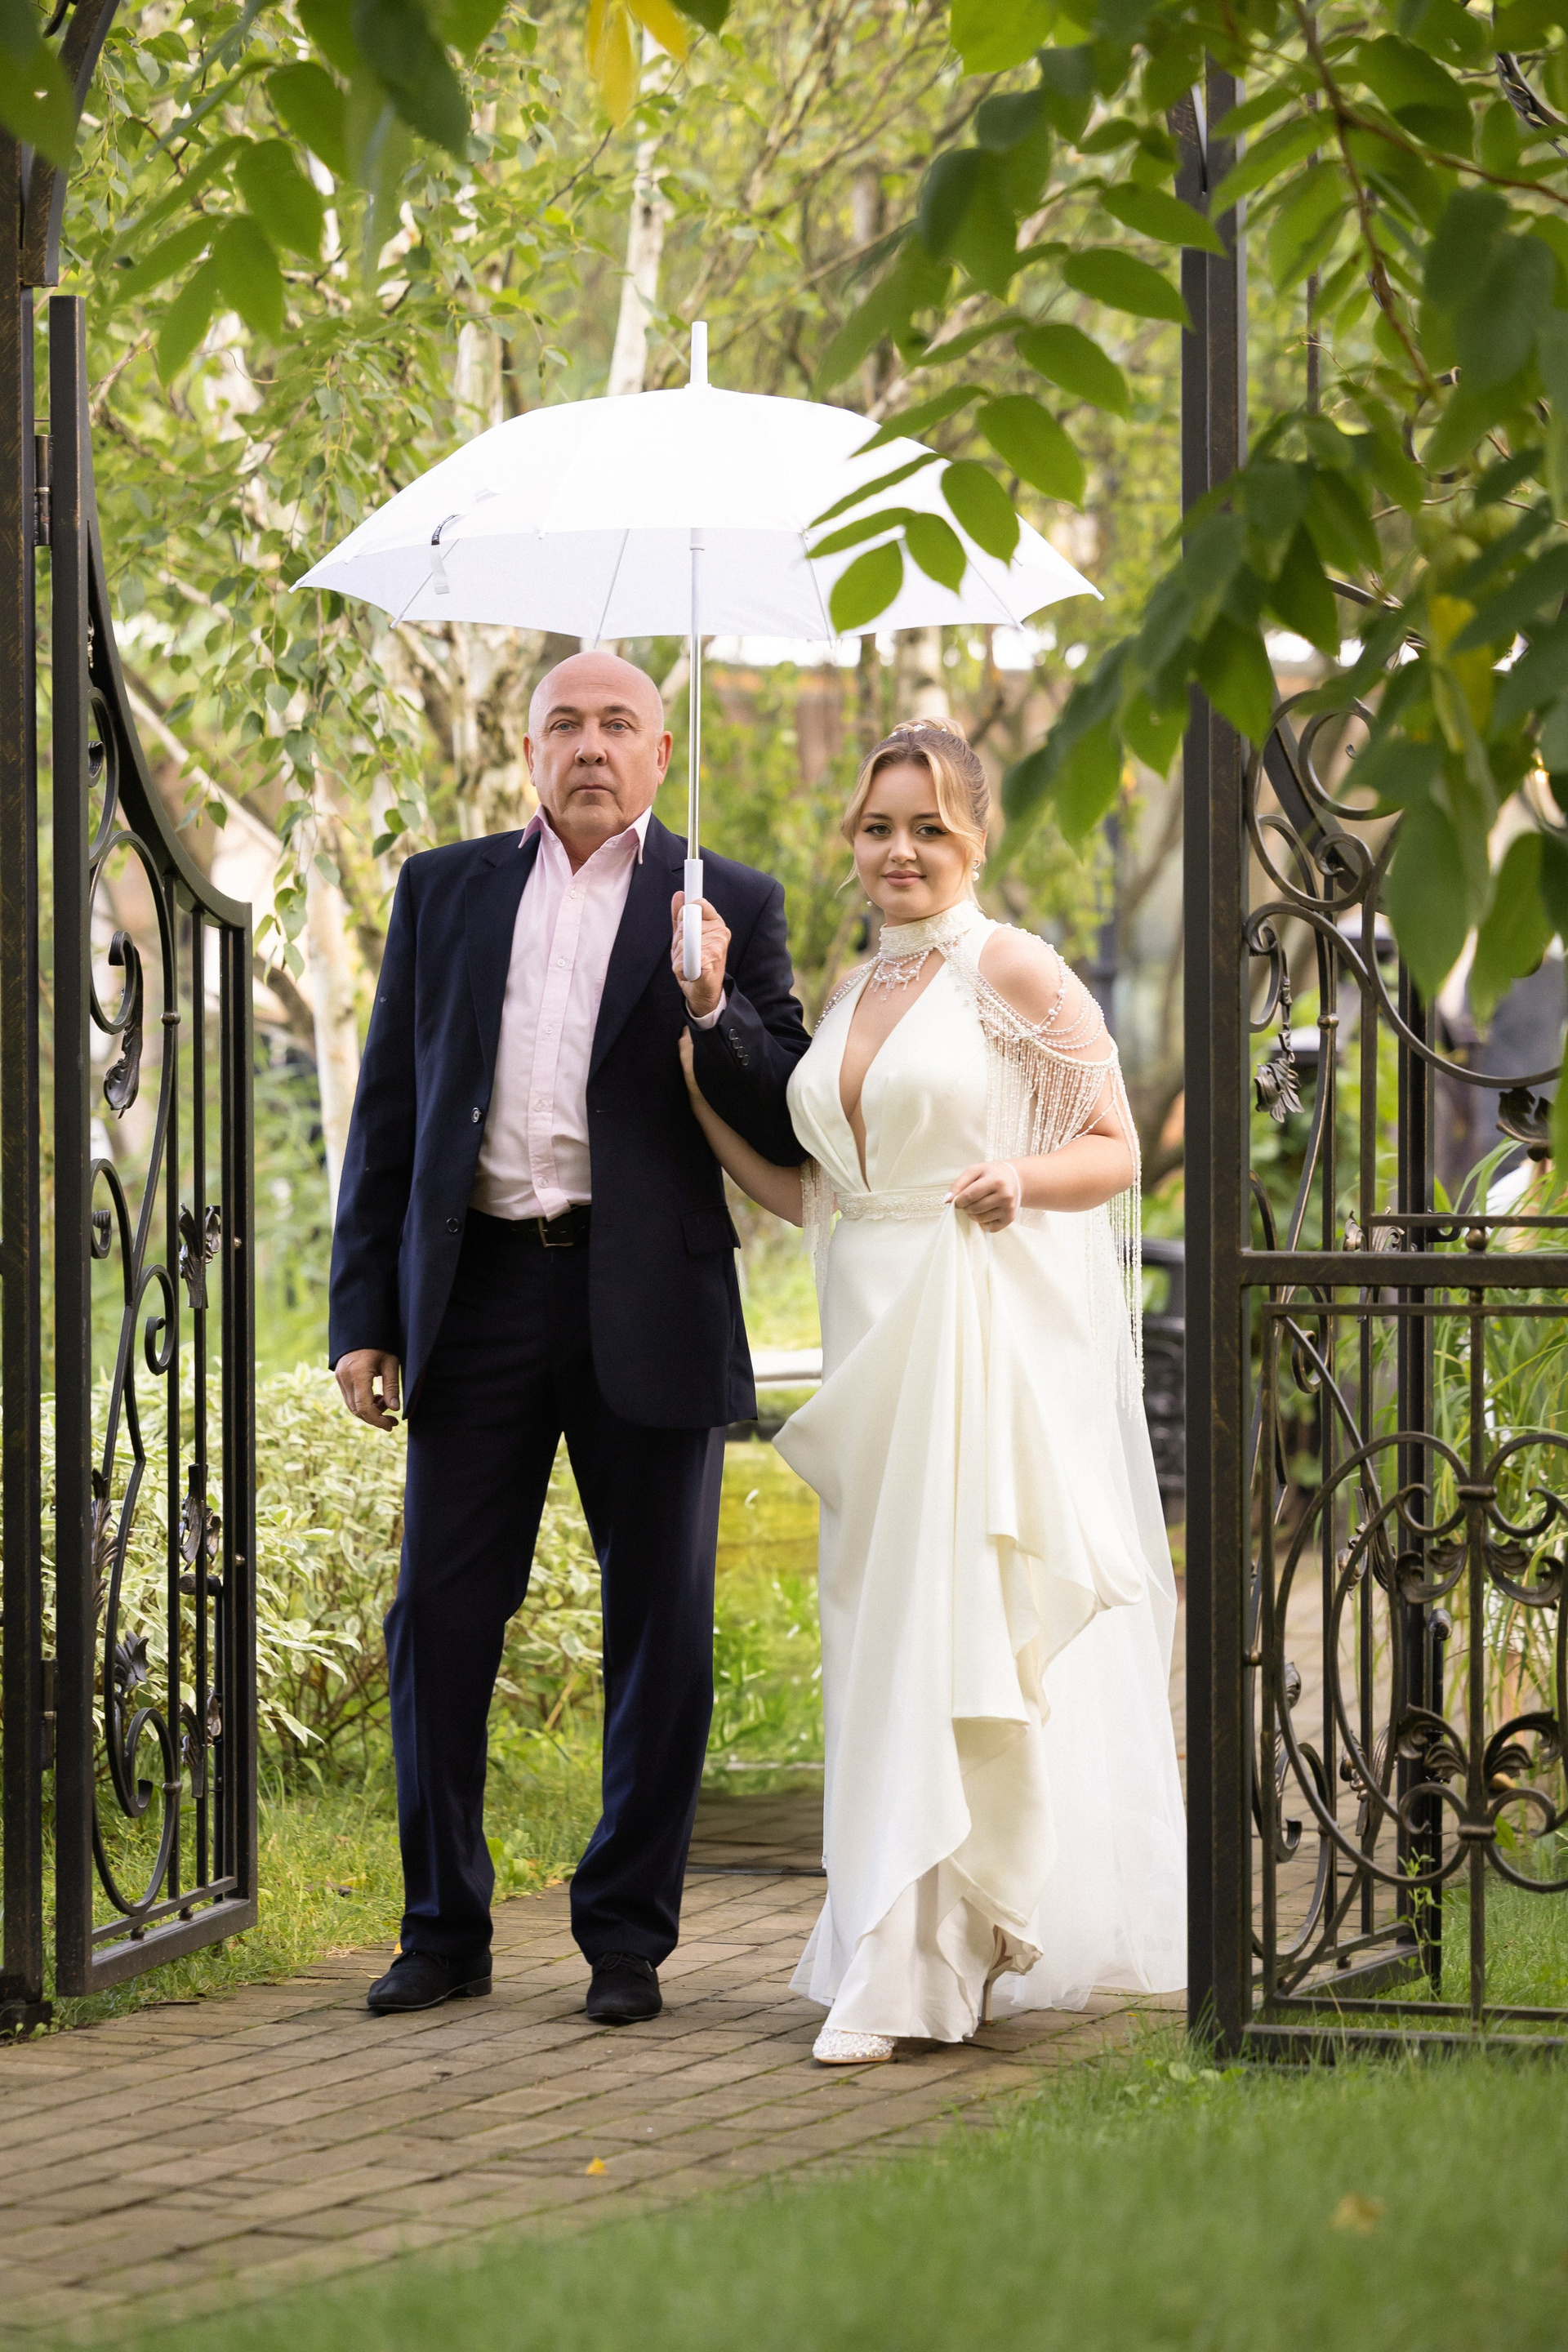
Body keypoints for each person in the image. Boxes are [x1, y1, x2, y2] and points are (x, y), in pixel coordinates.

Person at [679, 718, 1185, 2064]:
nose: (899, 851)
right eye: (878, 828)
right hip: (871, 1339)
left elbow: (1114, 1147)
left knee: (944, 1632)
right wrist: (702, 1075)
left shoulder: (1012, 968)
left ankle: (919, 1969)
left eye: (927, 828)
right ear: (852, 840)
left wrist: (1022, 1178)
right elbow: (813, 1194)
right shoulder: (854, 987)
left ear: (975, 837)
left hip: (972, 1332)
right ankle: (884, 1934)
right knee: (873, 1635)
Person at [331, 650, 809, 2022]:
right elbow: (391, 1107)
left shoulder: (728, 902)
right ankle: (444, 1931)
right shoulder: (443, 890)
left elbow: (785, 1113)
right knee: (437, 1616)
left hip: (647, 1293)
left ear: (660, 751)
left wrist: (713, 1003)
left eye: (617, 724)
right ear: (527, 749)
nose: (590, 746)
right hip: (477, 1293)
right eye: (564, 725)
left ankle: (625, 1941)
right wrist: (365, 1314)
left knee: (660, 1624)